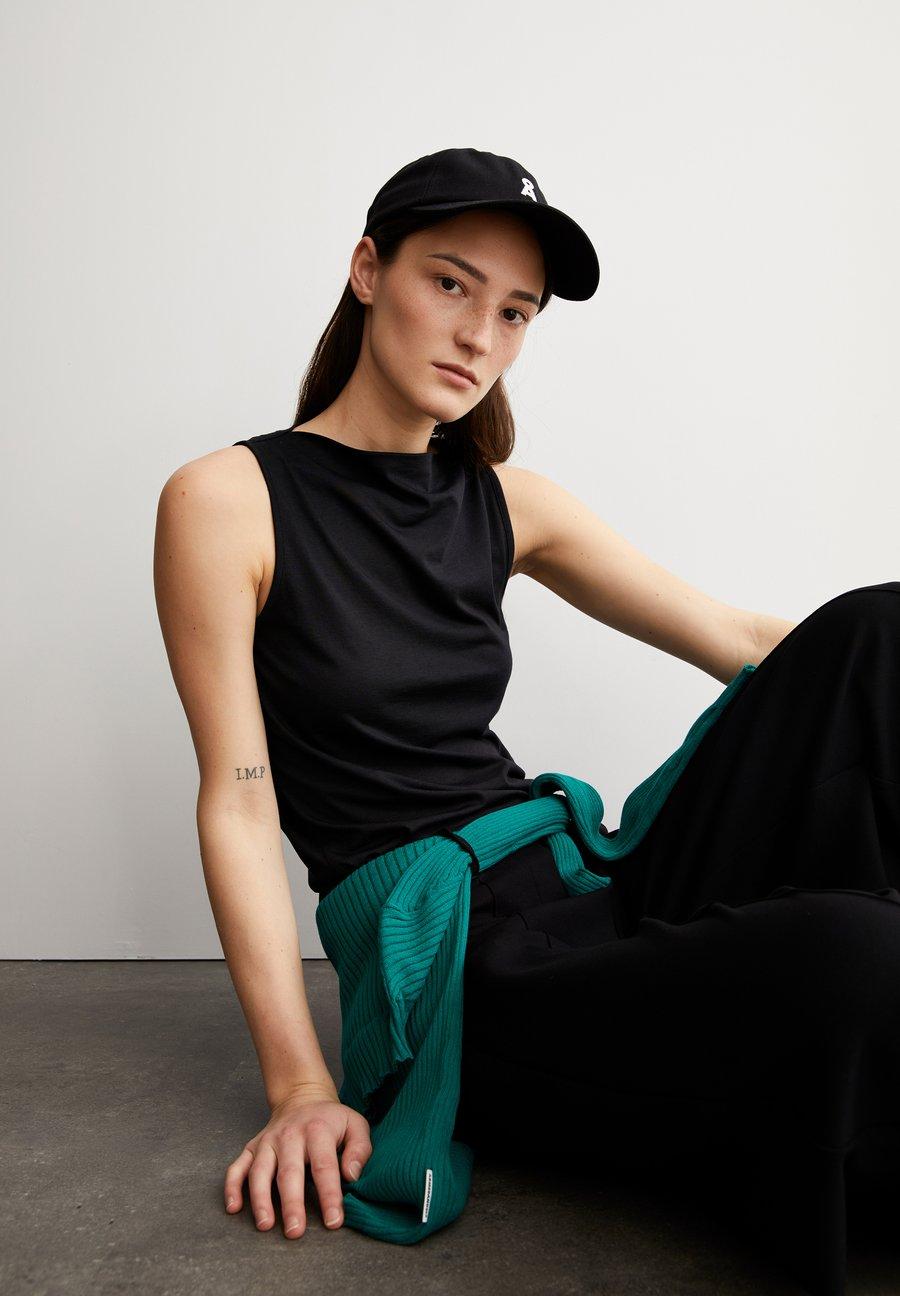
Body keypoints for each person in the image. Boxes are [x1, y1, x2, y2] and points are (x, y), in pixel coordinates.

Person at [153, 148, 900, 1296]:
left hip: (586, 877)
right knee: (855, 950)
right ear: (368, 270)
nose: (479, 335)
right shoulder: (227, 499)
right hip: (465, 965)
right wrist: (301, 1087)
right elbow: (240, 804)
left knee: (879, 628)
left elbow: (742, 637)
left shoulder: (508, 500)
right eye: (450, 284)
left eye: (514, 312)